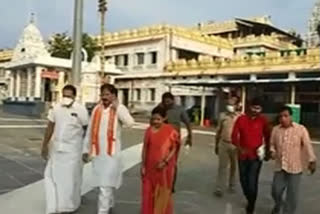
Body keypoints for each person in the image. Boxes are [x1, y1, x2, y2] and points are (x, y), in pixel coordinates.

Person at [82, 83, 134, 214]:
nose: (104, 97)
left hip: (112, 155)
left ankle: (103, 211)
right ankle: (109, 205)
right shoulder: (96, 109)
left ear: (114, 96)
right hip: (98, 154)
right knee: (104, 184)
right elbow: (89, 130)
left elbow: (130, 123)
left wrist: (118, 108)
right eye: (102, 94)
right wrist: (85, 149)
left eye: (107, 94)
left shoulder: (119, 108)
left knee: (105, 184)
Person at [41, 84, 89, 214]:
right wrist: (44, 145)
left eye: (69, 96)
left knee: (69, 180)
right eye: (64, 95)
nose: (66, 98)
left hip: (73, 150)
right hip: (56, 149)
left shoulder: (81, 110)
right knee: (51, 177)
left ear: (74, 96)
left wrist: (86, 149)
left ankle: (67, 206)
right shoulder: (56, 108)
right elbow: (50, 126)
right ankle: (53, 207)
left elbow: (87, 130)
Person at [270, 106, 317, 214]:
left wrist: (312, 160)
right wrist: (272, 151)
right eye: (281, 116)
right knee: (275, 191)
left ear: (291, 116)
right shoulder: (276, 129)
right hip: (280, 166)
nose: (283, 118)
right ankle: (278, 205)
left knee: (292, 196)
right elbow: (272, 144)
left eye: (285, 116)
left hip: (295, 168)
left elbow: (307, 145)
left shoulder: (301, 129)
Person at [231, 97, 271, 214]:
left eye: (258, 108)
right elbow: (234, 136)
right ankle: (250, 199)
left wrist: (267, 151)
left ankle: (251, 205)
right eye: (254, 107)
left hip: (256, 157)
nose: (256, 110)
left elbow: (268, 136)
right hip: (242, 155)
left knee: (252, 181)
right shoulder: (241, 119)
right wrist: (239, 148)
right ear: (250, 107)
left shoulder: (263, 120)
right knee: (243, 181)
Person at [141, 106, 179, 214]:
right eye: (153, 119)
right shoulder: (148, 131)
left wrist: (165, 161)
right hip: (149, 168)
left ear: (164, 118)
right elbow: (145, 148)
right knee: (148, 193)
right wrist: (143, 166)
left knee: (162, 193)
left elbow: (174, 148)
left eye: (158, 119)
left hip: (163, 169)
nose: (155, 122)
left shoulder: (170, 131)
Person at [159, 92, 192, 192]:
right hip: (162, 139)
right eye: (165, 102)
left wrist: (190, 136)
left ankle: (171, 184)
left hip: (174, 140)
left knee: (172, 163)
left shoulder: (179, 109)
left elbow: (187, 123)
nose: (167, 104)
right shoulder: (160, 108)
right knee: (161, 161)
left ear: (173, 100)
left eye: (169, 102)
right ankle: (162, 182)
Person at [214, 96, 240, 197]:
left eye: (232, 103)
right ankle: (219, 188)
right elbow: (218, 131)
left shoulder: (240, 117)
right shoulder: (222, 116)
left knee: (234, 166)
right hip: (223, 143)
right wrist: (216, 144)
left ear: (237, 105)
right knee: (222, 167)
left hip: (235, 145)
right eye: (228, 104)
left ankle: (232, 185)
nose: (230, 106)